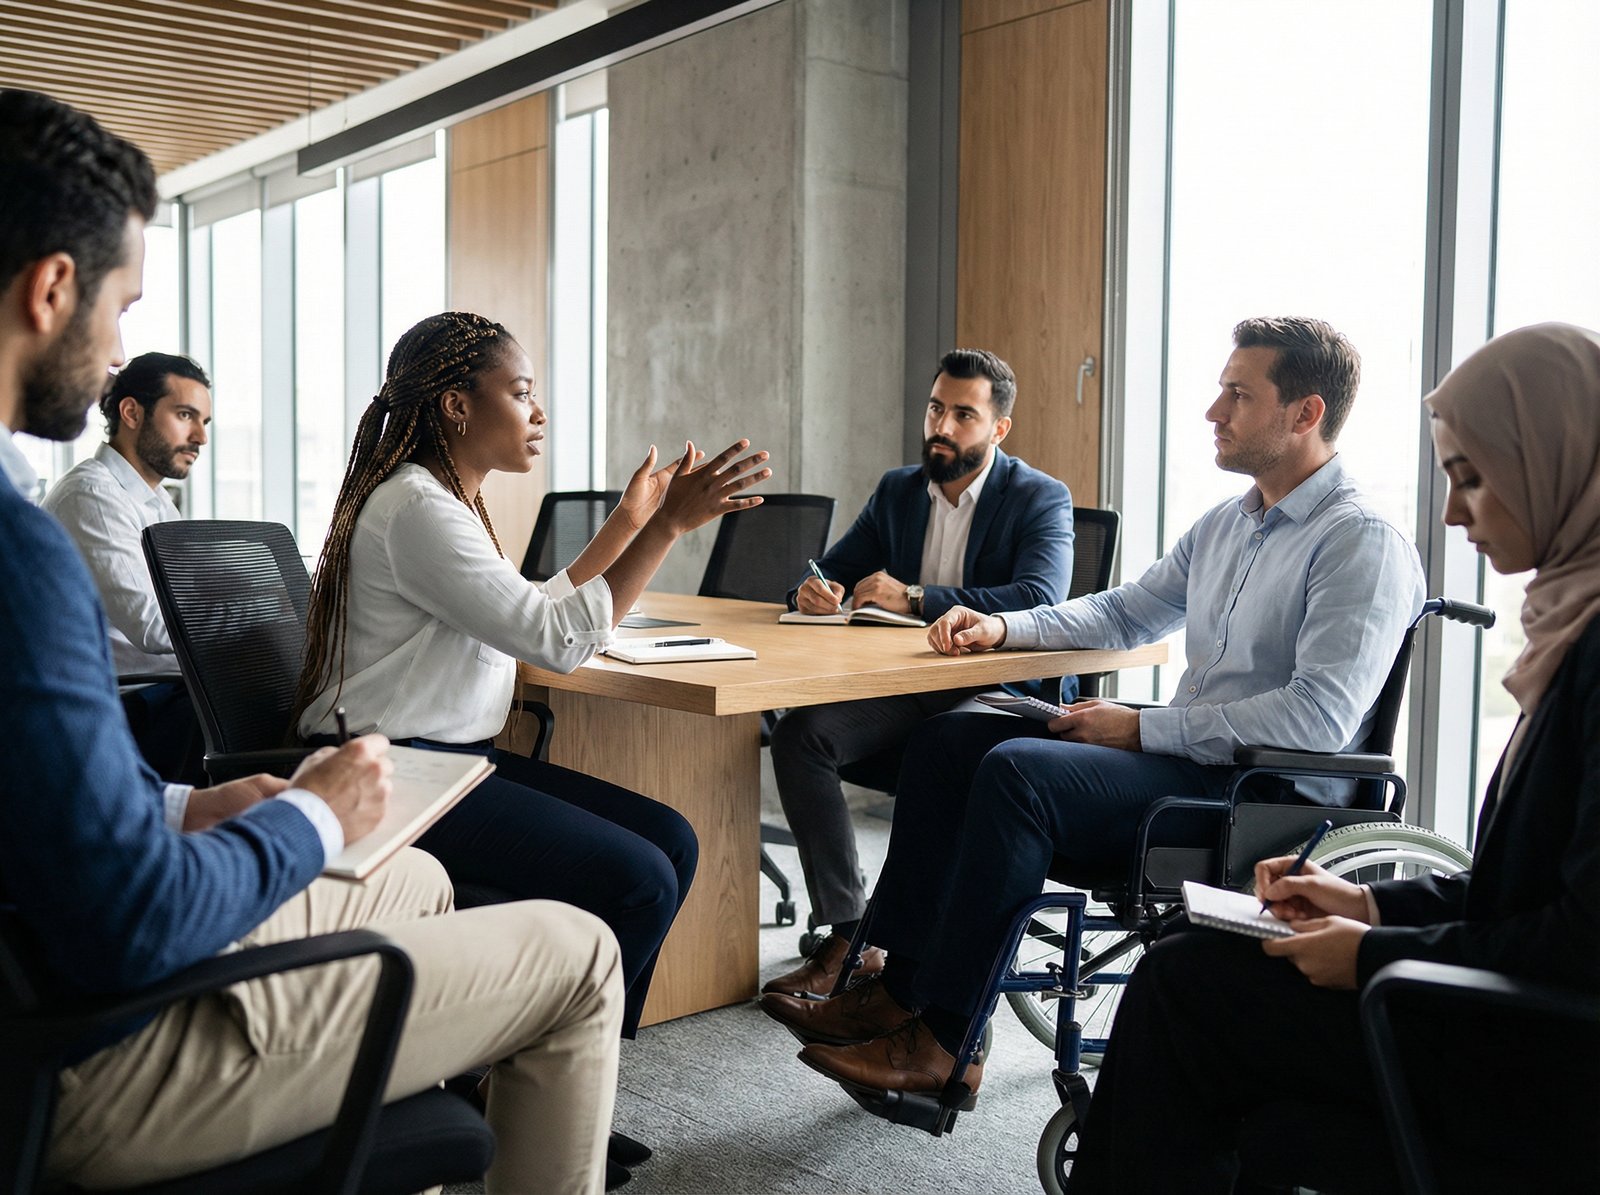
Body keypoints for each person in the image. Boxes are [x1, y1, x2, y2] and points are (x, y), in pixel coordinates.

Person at [0, 88, 622, 1193]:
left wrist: (182, 807)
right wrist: (309, 813)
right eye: (121, 307)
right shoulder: (24, 552)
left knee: (414, 875)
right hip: (77, 1057)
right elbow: (132, 921)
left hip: (55, 949)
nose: (118, 351)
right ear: (52, 289)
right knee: (584, 952)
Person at [761, 316, 1426, 1107]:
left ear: (1305, 412)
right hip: (1192, 759)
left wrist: (1140, 727)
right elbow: (1121, 612)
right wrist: (1003, 626)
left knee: (1018, 773)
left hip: (1262, 796)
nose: (1213, 411)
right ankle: (895, 987)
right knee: (952, 737)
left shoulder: (1360, 540)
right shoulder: (1229, 524)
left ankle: (946, 1042)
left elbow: (1317, 719)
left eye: (1238, 395)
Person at [1065, 322, 1600, 1193]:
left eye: (1472, 477)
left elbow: (1582, 944)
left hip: (1537, 1064)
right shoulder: (1573, 633)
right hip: (1501, 1012)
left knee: (1185, 987)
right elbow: (1527, 891)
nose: (1453, 512)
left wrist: (1371, 953)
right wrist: (1368, 901)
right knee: (1193, 962)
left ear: (1561, 463)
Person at [291, 309, 770, 1183]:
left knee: (673, 840)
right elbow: (551, 637)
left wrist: (630, 523)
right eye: (519, 392)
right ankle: (513, 1077)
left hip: (447, 758)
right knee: (639, 876)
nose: (537, 411)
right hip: (398, 773)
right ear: (456, 405)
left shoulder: (441, 501)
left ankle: (557, 1075)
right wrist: (665, 529)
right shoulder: (417, 508)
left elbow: (533, 609)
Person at [765, 348, 1075, 997]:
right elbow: (830, 568)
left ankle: (908, 956)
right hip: (911, 686)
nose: (942, 426)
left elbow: (1039, 596)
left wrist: (916, 597)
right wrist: (812, 591)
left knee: (941, 752)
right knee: (800, 735)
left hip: (998, 690)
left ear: (999, 428)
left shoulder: (1040, 496)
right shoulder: (898, 490)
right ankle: (850, 933)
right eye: (936, 409)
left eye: (964, 414)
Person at [42, 351, 212, 780]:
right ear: (132, 412)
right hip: (128, 702)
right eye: (185, 415)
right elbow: (152, 626)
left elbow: (188, 601)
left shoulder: (156, 503)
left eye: (204, 422)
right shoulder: (92, 496)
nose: (200, 437)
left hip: (166, 691)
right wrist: (242, 626)